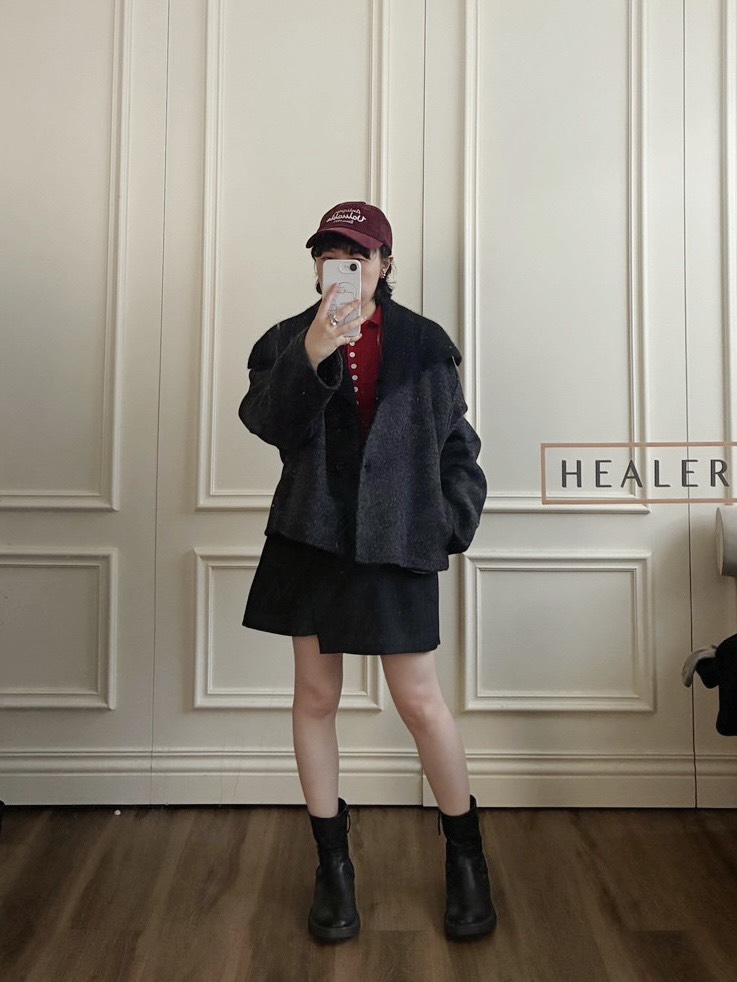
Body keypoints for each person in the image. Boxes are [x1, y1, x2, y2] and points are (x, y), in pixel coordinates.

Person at [238, 201, 496, 942]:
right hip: (311, 540)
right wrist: (315, 350)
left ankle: (466, 857)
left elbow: (457, 445)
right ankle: (332, 866)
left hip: (398, 539)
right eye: (328, 253)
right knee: (315, 697)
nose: (341, 265)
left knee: (419, 701)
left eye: (356, 254)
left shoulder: (424, 343)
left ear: (384, 264)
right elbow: (269, 425)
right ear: (317, 265)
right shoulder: (286, 339)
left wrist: (448, 520)